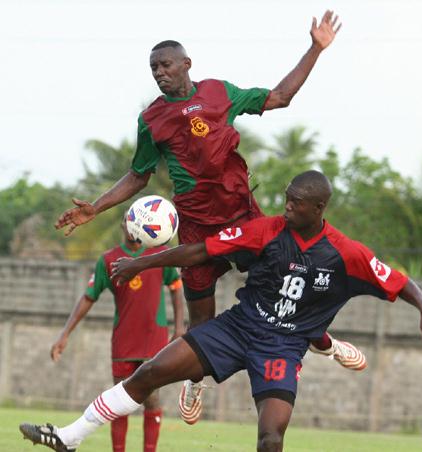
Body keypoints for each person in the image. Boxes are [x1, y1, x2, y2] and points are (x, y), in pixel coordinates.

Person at [54, 9, 365, 424]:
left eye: (165, 64)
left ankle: (323, 342)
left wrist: (315, 49)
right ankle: (195, 380)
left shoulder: (219, 93)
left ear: (186, 64)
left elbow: (279, 97)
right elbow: (138, 175)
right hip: (197, 228)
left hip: (242, 218)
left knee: (287, 288)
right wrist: (96, 206)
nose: (159, 73)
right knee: (203, 321)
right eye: (153, 68)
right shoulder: (152, 120)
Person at [20, 170, 422, 452]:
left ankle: (326, 343)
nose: (287, 206)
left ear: (319, 209)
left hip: (283, 347)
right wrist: (143, 261)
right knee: (150, 372)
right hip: (238, 328)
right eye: (286, 198)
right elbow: (199, 251)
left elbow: (398, 280)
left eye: (297, 203)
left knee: (270, 438)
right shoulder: (266, 231)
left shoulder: (345, 253)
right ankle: (70, 437)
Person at [49, 213, 185, 452]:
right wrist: (64, 334)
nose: (133, 226)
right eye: (128, 220)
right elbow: (88, 297)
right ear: (123, 225)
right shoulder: (109, 259)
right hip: (123, 342)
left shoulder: (158, 254)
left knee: (152, 399)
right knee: (119, 401)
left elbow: (176, 287)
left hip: (154, 338)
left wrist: (180, 326)